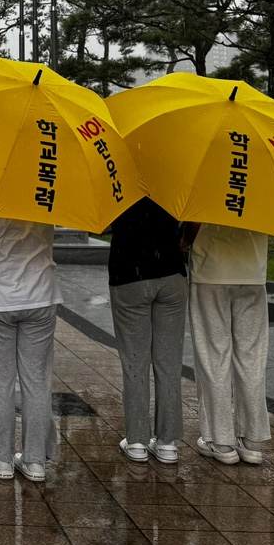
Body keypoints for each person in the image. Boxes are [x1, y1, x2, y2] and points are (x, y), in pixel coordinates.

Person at [0, 201, 58, 482]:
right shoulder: (47, 178)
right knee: (37, 381)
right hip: (41, 291)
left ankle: (2, 458)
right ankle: (35, 460)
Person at [106, 197, 188, 464]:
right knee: (169, 362)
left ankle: (138, 441)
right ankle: (167, 443)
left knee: (135, 362)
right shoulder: (172, 173)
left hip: (129, 272)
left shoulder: (116, 177)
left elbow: (103, 222)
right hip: (171, 272)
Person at [183, 221, 271, 465]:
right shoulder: (265, 182)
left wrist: (184, 241)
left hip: (210, 269)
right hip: (252, 271)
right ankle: (253, 440)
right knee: (252, 358)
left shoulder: (204, 182)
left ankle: (221, 441)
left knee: (214, 356)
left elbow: (194, 220)